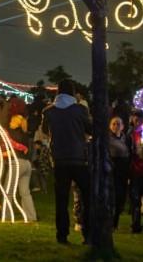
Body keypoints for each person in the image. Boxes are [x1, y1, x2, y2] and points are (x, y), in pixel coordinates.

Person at [42, 79, 91, 244]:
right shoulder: (80, 110)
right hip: (78, 158)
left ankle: (62, 235)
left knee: (61, 200)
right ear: (73, 92)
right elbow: (90, 129)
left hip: (59, 159)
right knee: (87, 196)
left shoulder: (48, 111)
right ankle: (88, 233)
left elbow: (44, 130)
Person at [8, 110, 37, 222]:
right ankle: (31, 216)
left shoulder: (12, 132)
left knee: (8, 190)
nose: (9, 122)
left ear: (16, 123)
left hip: (16, 163)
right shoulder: (25, 134)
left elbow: (9, 143)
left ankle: (7, 215)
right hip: (27, 164)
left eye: (11, 121)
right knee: (25, 192)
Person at [108, 116, 130, 229]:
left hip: (123, 169)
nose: (116, 126)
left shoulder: (125, 138)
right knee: (112, 195)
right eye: (114, 124)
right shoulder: (108, 139)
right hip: (113, 169)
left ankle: (115, 221)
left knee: (120, 196)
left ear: (122, 126)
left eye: (118, 124)